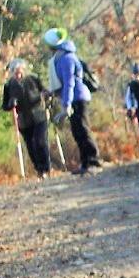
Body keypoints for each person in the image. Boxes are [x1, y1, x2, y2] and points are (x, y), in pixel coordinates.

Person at [41, 27, 101, 174]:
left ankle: (94, 161)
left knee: (83, 129)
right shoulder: (60, 57)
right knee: (77, 132)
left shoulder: (67, 58)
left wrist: (66, 104)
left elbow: (69, 83)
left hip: (78, 98)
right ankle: (85, 163)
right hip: (71, 98)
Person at [1, 58, 51, 177]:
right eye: (16, 72)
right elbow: (5, 106)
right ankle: (39, 169)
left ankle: (45, 167)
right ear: (12, 73)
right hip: (24, 121)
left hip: (39, 116)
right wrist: (11, 103)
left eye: (20, 72)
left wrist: (47, 96)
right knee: (30, 145)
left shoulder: (33, 79)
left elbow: (45, 91)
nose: (18, 75)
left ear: (24, 70)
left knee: (40, 141)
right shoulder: (9, 86)